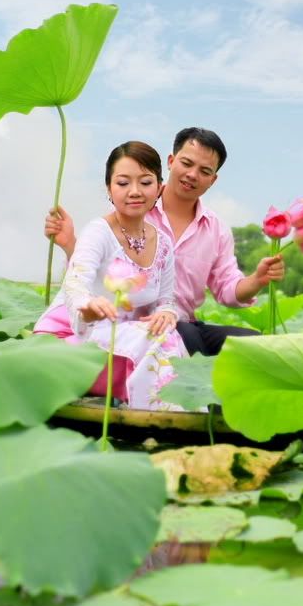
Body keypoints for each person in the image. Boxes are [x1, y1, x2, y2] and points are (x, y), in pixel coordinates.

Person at [44, 127, 284, 356]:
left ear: (213, 180)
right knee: (185, 338)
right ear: (171, 161)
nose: (192, 175)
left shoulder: (217, 230)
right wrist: (70, 245)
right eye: (187, 163)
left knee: (255, 345)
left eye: (205, 171)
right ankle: (193, 395)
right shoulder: (134, 207)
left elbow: (228, 291)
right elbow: (97, 272)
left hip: (178, 320)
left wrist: (258, 279)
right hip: (133, 326)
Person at [35, 141, 186, 410]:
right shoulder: (99, 232)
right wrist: (88, 307)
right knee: (160, 339)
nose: (135, 191)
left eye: (146, 182)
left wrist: (167, 314)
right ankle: (165, 420)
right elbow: (75, 284)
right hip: (71, 337)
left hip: (124, 339)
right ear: (109, 189)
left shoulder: (163, 243)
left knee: (166, 332)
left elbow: (166, 300)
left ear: (160, 187)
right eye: (123, 183)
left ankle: (171, 415)